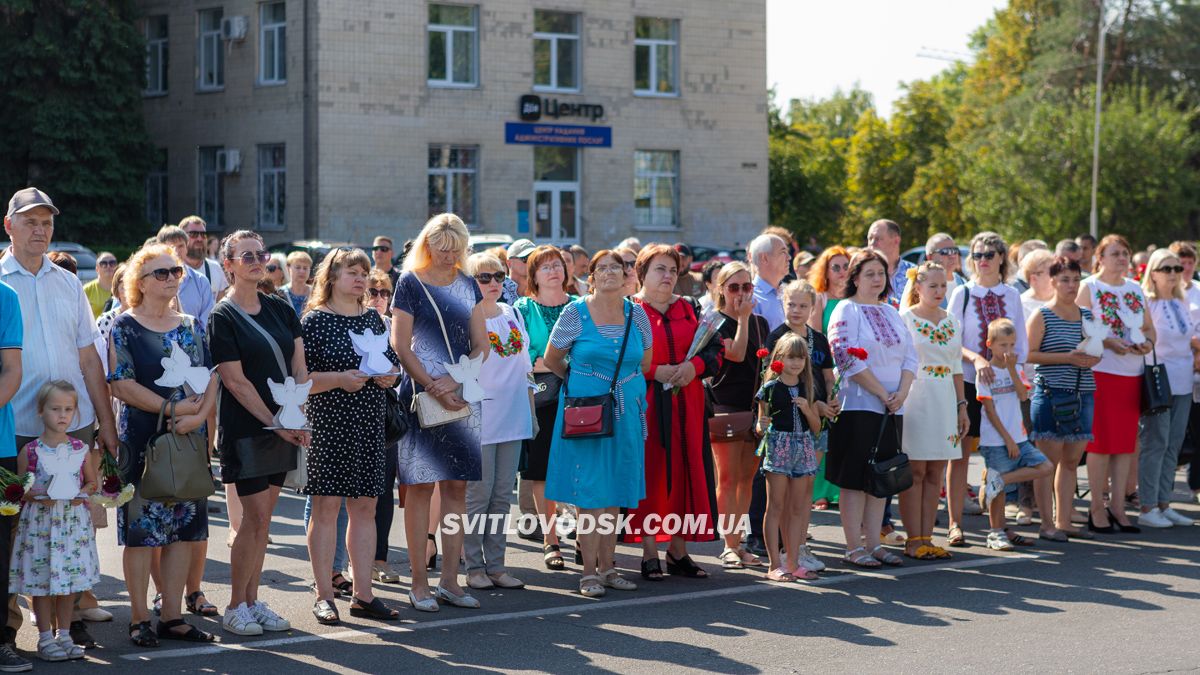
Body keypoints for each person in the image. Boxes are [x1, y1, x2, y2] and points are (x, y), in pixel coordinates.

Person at [3, 187, 116, 650]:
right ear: (8, 225)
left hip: (74, 423)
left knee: (73, 517)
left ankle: (71, 616)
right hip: (19, 425)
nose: (40, 229)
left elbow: (89, 358)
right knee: (15, 528)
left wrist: (106, 423)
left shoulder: (67, 281)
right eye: (30, 221)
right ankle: (11, 626)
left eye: (46, 222)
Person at [107, 244, 217, 647]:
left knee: (184, 530)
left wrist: (200, 417)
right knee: (141, 534)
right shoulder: (125, 326)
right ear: (140, 281)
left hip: (189, 436)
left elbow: (210, 377)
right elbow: (121, 383)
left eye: (175, 272)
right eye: (161, 273)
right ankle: (139, 618)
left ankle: (172, 616)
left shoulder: (190, 325)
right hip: (144, 440)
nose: (172, 278)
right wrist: (172, 410)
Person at [210, 230, 309, 635]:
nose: (256, 260)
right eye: (245, 255)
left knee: (263, 521)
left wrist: (297, 414)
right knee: (252, 518)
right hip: (248, 429)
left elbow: (299, 367)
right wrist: (278, 421)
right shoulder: (222, 316)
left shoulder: (281, 308)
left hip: (283, 427)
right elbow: (236, 383)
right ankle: (235, 606)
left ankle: (253, 600)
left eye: (260, 253)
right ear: (228, 265)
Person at [390, 213, 486, 612]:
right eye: (441, 249)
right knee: (420, 489)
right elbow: (400, 344)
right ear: (427, 246)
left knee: (457, 489)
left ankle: (450, 580)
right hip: (420, 396)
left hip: (462, 396)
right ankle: (418, 581)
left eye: (455, 250)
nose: (449, 257)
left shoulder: (468, 285)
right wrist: (433, 384)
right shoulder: (409, 283)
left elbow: (483, 345)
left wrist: (457, 383)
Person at [543, 250, 652, 597]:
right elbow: (552, 359)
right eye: (601, 268)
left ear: (626, 275)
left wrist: (618, 387)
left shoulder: (637, 314)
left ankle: (609, 567)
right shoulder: (574, 312)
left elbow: (645, 361)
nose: (608, 273)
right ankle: (588, 572)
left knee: (616, 488)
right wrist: (583, 385)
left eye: (615, 268)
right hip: (587, 413)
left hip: (627, 411)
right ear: (591, 276)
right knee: (590, 490)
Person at [302, 246, 402, 624]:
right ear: (331, 277)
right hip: (329, 421)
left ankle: (363, 594)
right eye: (351, 272)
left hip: (368, 421)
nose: (361, 278)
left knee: (365, 508)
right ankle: (324, 594)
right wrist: (339, 381)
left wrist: (390, 376)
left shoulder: (374, 320)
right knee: (326, 509)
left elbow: (391, 366)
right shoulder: (314, 321)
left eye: (364, 272)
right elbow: (301, 380)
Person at [628, 244, 720, 581]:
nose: (667, 276)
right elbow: (620, 358)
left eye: (672, 270)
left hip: (689, 403)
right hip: (647, 405)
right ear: (642, 273)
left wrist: (694, 367)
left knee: (686, 471)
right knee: (652, 473)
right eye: (659, 269)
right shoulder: (630, 311)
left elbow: (714, 350)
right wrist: (657, 371)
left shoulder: (691, 308)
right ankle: (649, 552)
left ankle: (679, 551)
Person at [827, 249, 916, 568]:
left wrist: (901, 393)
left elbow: (911, 357)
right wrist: (881, 392)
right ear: (854, 278)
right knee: (855, 479)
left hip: (892, 409)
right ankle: (853, 547)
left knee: (881, 478)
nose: (877, 279)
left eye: (881, 273)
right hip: (859, 406)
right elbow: (846, 357)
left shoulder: (891, 311)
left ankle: (874, 544)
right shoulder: (845, 310)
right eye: (869, 274)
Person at [945, 231, 1027, 547]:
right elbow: (950, 341)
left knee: (999, 457)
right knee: (960, 454)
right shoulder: (962, 293)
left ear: (1001, 258)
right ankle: (954, 523)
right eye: (977, 255)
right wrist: (978, 358)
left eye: (989, 255)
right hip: (967, 381)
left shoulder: (1012, 295)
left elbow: (1019, 342)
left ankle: (998, 526)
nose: (983, 261)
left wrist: (1011, 369)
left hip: (1002, 386)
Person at [10, 382, 98, 662]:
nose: (62, 415)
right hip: (41, 526)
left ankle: (65, 635)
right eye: (55, 408)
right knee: (43, 582)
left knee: (67, 582)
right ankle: (45, 637)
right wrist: (34, 495)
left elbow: (91, 482)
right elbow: (20, 487)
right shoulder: (32, 451)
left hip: (71, 526)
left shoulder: (80, 449)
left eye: (68, 409)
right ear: (40, 411)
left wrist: (80, 494)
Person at [463, 253, 533, 590]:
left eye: (498, 276)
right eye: (484, 277)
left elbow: (525, 369)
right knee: (479, 494)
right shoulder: (466, 318)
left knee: (503, 495)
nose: (493, 283)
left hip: (514, 414)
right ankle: (473, 566)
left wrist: (531, 414)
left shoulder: (513, 312)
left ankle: (496, 566)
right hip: (481, 417)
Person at [1077, 234, 1154, 533]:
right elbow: (1080, 328)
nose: (1122, 258)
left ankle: (1118, 508)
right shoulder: (1090, 287)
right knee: (1100, 443)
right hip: (1102, 373)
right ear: (1100, 257)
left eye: (1125, 253)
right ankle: (1097, 507)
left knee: (1124, 445)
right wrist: (1108, 342)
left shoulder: (1135, 288)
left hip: (1131, 375)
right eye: (1115, 253)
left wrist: (1146, 344)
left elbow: (1149, 329)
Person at [1026, 256, 1099, 538]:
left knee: (1071, 462)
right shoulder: (1042, 315)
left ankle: (1064, 521)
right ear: (1053, 281)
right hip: (1051, 394)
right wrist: (1066, 358)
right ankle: (1046, 524)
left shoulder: (1087, 316)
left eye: (1076, 279)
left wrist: (1092, 358)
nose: (1071, 285)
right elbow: (1029, 355)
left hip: (1083, 393)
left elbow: (1096, 350)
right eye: (1065, 279)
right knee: (1047, 463)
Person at [898, 262, 967, 558]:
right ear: (918, 288)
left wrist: (961, 406)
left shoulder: (951, 320)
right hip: (916, 396)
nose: (939, 291)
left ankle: (927, 537)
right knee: (915, 469)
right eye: (933, 286)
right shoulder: (905, 319)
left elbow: (956, 367)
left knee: (935, 470)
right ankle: (913, 538)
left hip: (944, 398)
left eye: (943, 286)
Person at [512, 246, 575, 570]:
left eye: (558, 265)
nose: (553, 270)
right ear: (533, 275)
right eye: (545, 266)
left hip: (580, 396)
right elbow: (519, 355)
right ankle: (552, 540)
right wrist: (539, 364)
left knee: (580, 465)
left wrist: (549, 363)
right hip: (540, 400)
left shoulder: (580, 306)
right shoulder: (522, 308)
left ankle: (584, 535)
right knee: (540, 470)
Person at [708, 261, 769, 568]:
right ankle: (728, 543)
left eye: (747, 287)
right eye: (734, 287)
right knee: (728, 478)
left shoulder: (760, 323)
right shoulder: (717, 323)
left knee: (747, 479)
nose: (741, 293)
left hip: (753, 408)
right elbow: (735, 354)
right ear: (721, 290)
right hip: (725, 407)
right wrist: (743, 318)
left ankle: (740, 541)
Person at [977, 319, 1057, 549]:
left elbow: (1023, 396)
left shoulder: (1017, 368)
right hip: (996, 440)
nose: (1008, 351)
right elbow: (989, 411)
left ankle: (999, 480)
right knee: (998, 492)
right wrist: (1008, 439)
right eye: (1003, 345)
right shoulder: (985, 373)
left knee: (1045, 467)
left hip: (1020, 438)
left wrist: (1012, 369)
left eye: (1012, 345)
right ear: (990, 344)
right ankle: (995, 532)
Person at [754, 333, 822, 582]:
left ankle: (792, 562)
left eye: (801, 358)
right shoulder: (769, 388)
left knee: (796, 508)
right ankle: (774, 564)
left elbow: (816, 427)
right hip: (779, 445)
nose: (796, 363)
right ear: (779, 358)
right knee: (776, 507)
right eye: (791, 357)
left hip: (802, 446)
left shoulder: (807, 388)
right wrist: (762, 425)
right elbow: (760, 426)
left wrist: (806, 408)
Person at [766, 281, 837, 518]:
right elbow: (768, 383)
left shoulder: (818, 338)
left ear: (812, 308)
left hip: (816, 420)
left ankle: (800, 542)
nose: (796, 310)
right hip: (787, 425)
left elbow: (828, 376)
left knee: (806, 486)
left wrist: (830, 399)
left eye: (803, 306)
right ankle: (784, 543)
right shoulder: (776, 337)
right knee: (784, 491)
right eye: (791, 304)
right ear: (783, 304)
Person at [1135, 249, 1196, 528]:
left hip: (1184, 380)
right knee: (1155, 443)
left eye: (1176, 268)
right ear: (1154, 273)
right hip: (1159, 380)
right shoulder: (1147, 302)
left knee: (1173, 444)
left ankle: (1164, 502)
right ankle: (1147, 506)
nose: (1174, 273)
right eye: (1167, 268)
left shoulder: (1181, 302)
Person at [365, 269, 402, 582]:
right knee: (357, 496)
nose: (378, 298)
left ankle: (380, 558)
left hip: (387, 418)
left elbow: (402, 366)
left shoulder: (393, 326)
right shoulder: (357, 323)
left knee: (384, 491)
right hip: (354, 416)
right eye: (372, 292)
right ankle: (350, 562)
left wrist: (394, 374)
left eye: (383, 293)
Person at [0, 274, 24, 671]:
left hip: (1, 449)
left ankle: (1, 640)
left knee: (0, 550)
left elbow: (11, 372)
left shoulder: (5, 297)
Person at [156, 226, 215, 331]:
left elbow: (207, 323)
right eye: (171, 246)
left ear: (187, 247)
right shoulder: (152, 280)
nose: (176, 251)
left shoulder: (201, 281)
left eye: (181, 246)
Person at [865, 219, 915, 308]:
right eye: (870, 238)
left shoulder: (914, 273)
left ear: (896, 241)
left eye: (878, 238)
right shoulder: (862, 274)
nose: (872, 243)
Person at [179, 216, 229, 300]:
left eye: (203, 234)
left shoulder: (214, 267)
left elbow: (221, 305)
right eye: (193, 234)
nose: (199, 238)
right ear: (181, 238)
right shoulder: (173, 270)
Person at [747, 234, 789, 330]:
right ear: (764, 258)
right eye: (783, 252)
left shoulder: (788, 292)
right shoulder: (751, 299)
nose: (789, 257)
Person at [808, 245, 850, 333]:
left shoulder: (856, 296)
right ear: (825, 272)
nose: (842, 271)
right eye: (836, 268)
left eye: (846, 266)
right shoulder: (819, 299)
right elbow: (815, 336)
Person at [82, 252, 117, 318]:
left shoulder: (123, 288)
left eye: (112, 263)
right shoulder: (86, 290)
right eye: (103, 263)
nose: (108, 266)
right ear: (97, 269)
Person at [281, 251, 312, 316]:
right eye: (298, 267)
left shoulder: (316, 293)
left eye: (305, 268)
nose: (302, 271)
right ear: (288, 268)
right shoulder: (280, 293)